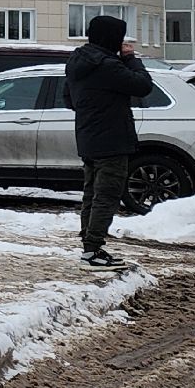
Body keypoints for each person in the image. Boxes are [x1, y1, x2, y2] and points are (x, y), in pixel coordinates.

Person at [65, 15, 153, 270]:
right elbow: (143, 86)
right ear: (111, 37)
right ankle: (92, 251)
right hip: (112, 139)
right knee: (107, 195)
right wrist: (131, 59)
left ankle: (89, 247)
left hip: (88, 137)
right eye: (120, 37)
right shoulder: (108, 65)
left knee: (92, 194)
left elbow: (68, 99)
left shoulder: (77, 62)